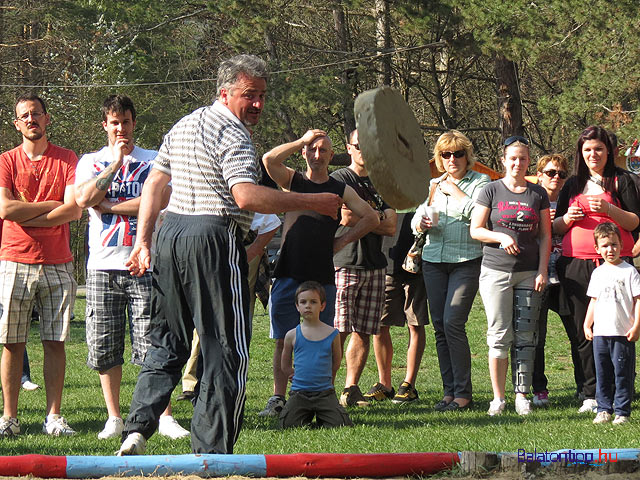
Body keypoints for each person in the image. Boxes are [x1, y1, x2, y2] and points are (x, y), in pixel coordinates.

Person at [119, 55, 343, 456]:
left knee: (167, 341)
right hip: (212, 236)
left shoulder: (184, 124)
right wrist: (312, 202)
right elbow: (245, 195)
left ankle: (136, 429)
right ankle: (213, 452)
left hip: (172, 235)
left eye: (261, 96)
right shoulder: (234, 133)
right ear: (225, 92)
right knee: (227, 347)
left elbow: (155, 182)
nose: (257, 105)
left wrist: (145, 240)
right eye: (248, 95)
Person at [75, 94, 188, 440]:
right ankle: (114, 417)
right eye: (114, 122)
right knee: (105, 342)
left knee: (152, 341)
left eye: (125, 121)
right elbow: (83, 199)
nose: (120, 128)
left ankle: (163, 416)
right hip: (103, 265)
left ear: (134, 123)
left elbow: (163, 198)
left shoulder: (154, 159)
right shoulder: (91, 161)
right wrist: (115, 164)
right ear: (105, 125)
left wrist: (111, 206)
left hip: (144, 261)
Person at [260, 129, 379, 416]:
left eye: (323, 150)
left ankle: (320, 397)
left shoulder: (340, 189)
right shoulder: (294, 180)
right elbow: (268, 159)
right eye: (311, 150)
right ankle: (278, 399)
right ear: (304, 153)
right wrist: (301, 140)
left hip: (322, 276)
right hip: (288, 271)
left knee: (322, 338)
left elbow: (371, 217)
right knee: (282, 338)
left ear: (331, 155)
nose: (317, 155)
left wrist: (342, 241)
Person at [0, 94, 82, 437]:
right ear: (17, 124)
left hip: (57, 262)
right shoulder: (6, 160)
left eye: (36, 114)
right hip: (14, 259)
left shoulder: (67, 159)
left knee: (54, 341)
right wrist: (51, 208)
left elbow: (74, 209)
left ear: (47, 119)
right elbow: (5, 210)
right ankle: (9, 418)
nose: (31, 119)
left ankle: (54, 418)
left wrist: (29, 210)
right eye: (24, 116)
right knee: (11, 341)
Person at [554, 126, 640, 414]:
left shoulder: (623, 180)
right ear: (581, 152)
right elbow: (554, 227)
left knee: (619, 330)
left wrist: (608, 210)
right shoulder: (572, 184)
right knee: (584, 331)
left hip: (615, 265)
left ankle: (621, 391)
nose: (593, 154)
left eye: (599, 149)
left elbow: (634, 222)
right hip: (576, 264)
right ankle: (589, 392)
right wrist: (568, 217)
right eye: (588, 149)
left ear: (609, 151)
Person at [470, 135, 551, 416]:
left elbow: (545, 236)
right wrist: (500, 236)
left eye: (523, 158)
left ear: (529, 162)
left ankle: (522, 396)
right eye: (513, 158)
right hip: (496, 272)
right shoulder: (490, 190)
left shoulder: (537, 193)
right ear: (503, 161)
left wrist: (543, 270)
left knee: (527, 336)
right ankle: (498, 398)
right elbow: (476, 229)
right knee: (499, 334)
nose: (518, 163)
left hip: (529, 273)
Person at [413, 130, 489, 411]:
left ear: (467, 157)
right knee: (441, 328)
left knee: (454, 322)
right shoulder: (433, 183)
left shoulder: (480, 182)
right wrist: (419, 224)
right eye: (446, 154)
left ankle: (463, 394)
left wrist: (456, 193)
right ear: (439, 158)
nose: (452, 159)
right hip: (434, 260)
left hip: (466, 260)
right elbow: (418, 217)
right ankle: (449, 393)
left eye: (458, 154)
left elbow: (478, 214)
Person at [177, 212, 280, 402]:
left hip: (244, 252)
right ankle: (192, 383)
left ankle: (233, 380)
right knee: (205, 318)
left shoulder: (247, 190)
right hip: (212, 251)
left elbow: (271, 222)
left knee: (239, 321)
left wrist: (251, 252)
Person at [332, 129, 397, 408]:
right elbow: (344, 215)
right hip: (345, 262)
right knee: (338, 330)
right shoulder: (339, 179)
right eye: (359, 146)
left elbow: (391, 225)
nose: (364, 151)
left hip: (375, 265)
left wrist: (366, 217)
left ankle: (351, 389)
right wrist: (375, 216)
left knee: (364, 330)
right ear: (349, 148)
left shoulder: (383, 181)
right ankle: (324, 390)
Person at [523, 154, 584, 407]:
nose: (555, 177)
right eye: (550, 172)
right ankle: (539, 389)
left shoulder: (572, 200)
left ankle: (584, 386)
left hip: (567, 273)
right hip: (537, 273)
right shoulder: (530, 201)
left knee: (578, 333)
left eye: (560, 173)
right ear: (539, 175)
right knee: (536, 336)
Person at [365, 209, 428, 404]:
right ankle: (385, 384)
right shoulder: (383, 186)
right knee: (380, 325)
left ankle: (409, 384)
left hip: (418, 260)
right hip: (386, 260)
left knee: (415, 323)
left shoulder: (428, 185)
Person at [585, 222, 640, 425]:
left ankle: (622, 411)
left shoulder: (629, 272)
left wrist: (636, 327)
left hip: (622, 332)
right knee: (602, 372)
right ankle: (603, 409)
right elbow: (594, 300)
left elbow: (638, 300)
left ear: (621, 245)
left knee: (622, 373)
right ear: (597, 249)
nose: (611, 250)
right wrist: (587, 324)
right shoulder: (598, 273)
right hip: (601, 333)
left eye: (614, 245)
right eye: (606, 246)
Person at [279, 281, 352, 428]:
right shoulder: (291, 335)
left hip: (325, 393)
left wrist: (327, 377)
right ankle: (306, 417)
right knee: (286, 424)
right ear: (297, 306)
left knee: (341, 424)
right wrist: (291, 374)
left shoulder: (332, 334)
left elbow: (336, 361)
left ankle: (323, 417)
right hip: (299, 393)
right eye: (303, 302)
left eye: (313, 302)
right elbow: (285, 363)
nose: (308, 306)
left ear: (322, 306)